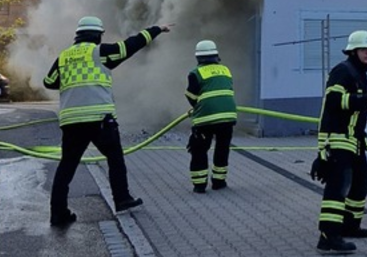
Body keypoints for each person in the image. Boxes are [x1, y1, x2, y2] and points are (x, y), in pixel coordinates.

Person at [44, 16, 173, 227]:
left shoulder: (64, 57)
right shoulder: (100, 52)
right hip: (99, 120)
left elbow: (49, 82)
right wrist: (157, 29)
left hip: (71, 122)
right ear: (97, 35)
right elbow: (130, 46)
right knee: (115, 158)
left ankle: (58, 214)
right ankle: (121, 199)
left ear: (78, 35)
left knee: (67, 166)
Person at [310, 30, 367, 254]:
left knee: (361, 181)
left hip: (354, 139)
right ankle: (328, 236)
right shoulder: (343, 71)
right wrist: (362, 100)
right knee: (338, 186)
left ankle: (350, 226)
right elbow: (333, 101)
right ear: (353, 51)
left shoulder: (359, 73)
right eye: (364, 49)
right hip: (338, 137)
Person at [185, 39, 237, 193]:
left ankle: (199, 185)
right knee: (222, 149)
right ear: (216, 55)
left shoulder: (195, 73)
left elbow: (190, 95)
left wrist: (196, 107)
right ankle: (219, 182)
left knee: (199, 150)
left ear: (198, 58)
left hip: (205, 118)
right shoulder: (226, 70)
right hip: (228, 116)